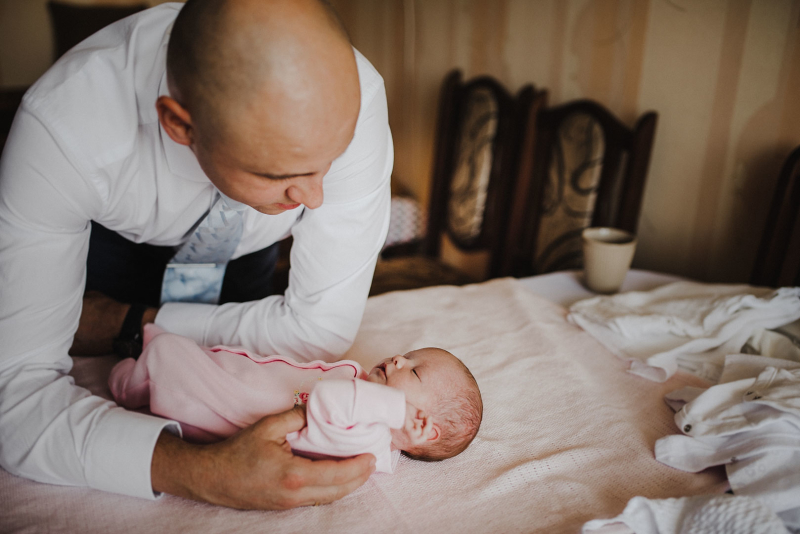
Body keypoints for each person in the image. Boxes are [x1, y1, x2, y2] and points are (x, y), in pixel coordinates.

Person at [0, 0, 392, 509]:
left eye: (330, 163)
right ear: (179, 124)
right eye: (278, 173)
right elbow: (16, 395)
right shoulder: (64, 129)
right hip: (111, 250)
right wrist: (200, 472)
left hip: (244, 259)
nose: (316, 199)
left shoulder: (357, 95)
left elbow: (318, 331)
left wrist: (126, 323)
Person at [110, 325, 484, 473]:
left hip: (236, 404)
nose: (400, 358)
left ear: (421, 427)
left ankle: (130, 378)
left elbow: (325, 400)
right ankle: (155, 353)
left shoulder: (370, 439)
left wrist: (391, 407)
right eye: (409, 354)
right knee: (211, 359)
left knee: (173, 364)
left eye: (415, 371)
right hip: (257, 379)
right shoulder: (369, 406)